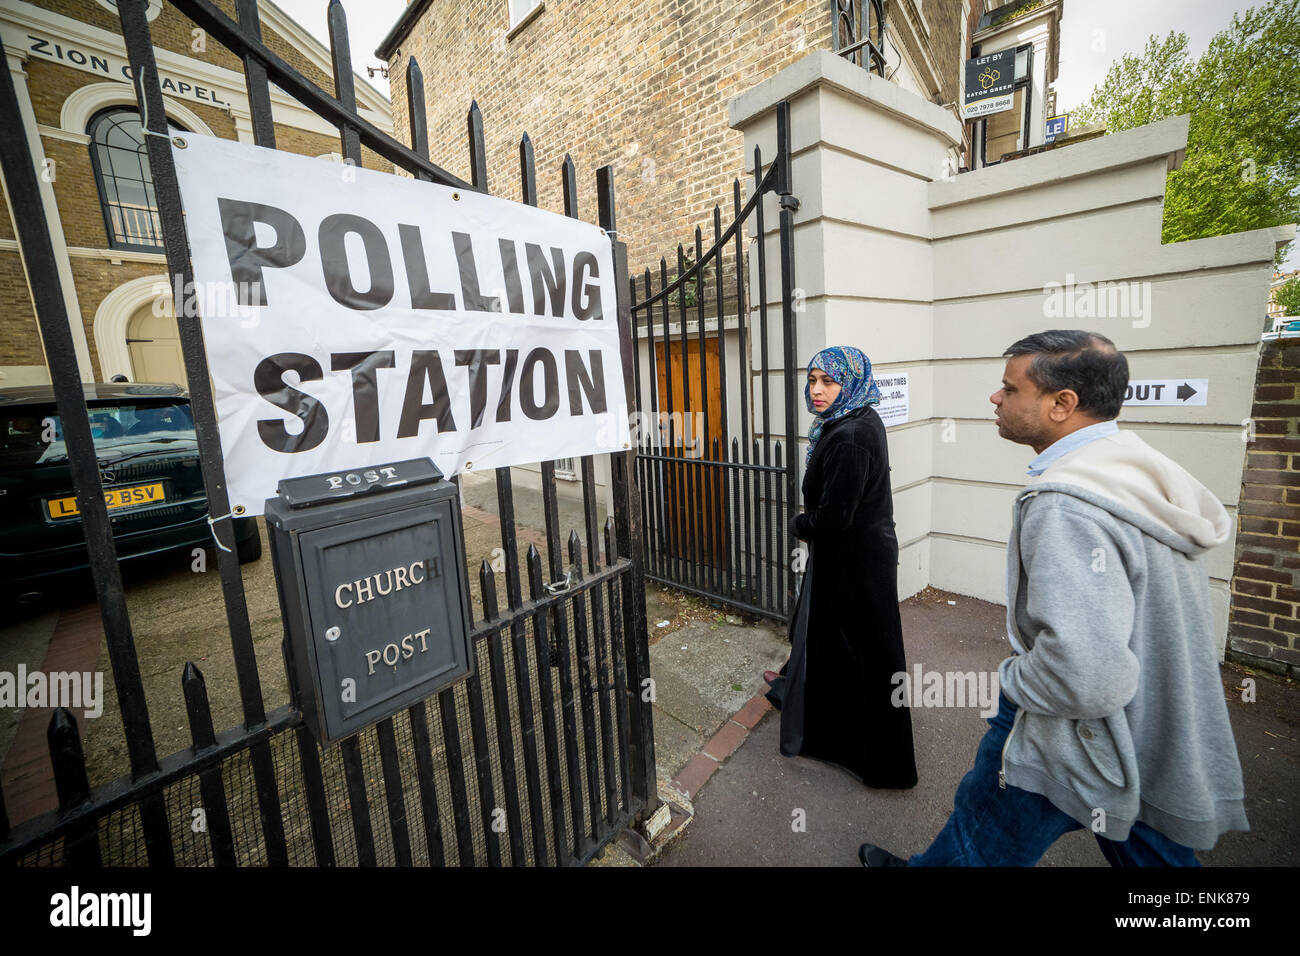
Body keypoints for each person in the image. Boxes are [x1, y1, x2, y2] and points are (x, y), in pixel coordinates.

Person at [859, 330, 1248, 866]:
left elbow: (1084, 676)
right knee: (1143, 840)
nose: (996, 399)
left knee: (983, 834)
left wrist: (1011, 687)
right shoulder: (1130, 469)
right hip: (1149, 723)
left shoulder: (1068, 506)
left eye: (1010, 389)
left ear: (1063, 404)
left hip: (1072, 725)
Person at [765, 345, 917, 789]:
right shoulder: (858, 417)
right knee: (845, 646)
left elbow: (833, 518)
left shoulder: (850, 435)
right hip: (860, 554)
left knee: (858, 650)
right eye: (812, 380)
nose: (816, 390)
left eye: (827, 382)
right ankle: (814, 707)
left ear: (848, 383)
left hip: (853, 561)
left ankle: (878, 758)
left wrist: (798, 523)